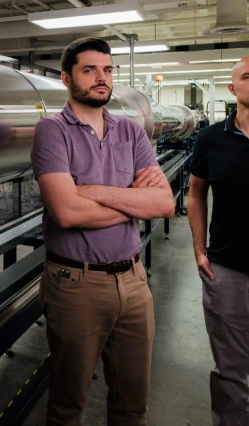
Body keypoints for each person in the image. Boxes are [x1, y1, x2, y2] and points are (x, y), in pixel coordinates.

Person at [31, 37, 175, 426]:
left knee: (132, 403)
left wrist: (96, 193)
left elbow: (164, 205)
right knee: (68, 405)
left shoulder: (131, 132)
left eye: (108, 70)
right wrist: (131, 201)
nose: (101, 78)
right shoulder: (51, 131)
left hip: (133, 279)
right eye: (89, 70)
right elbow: (66, 212)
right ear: (66, 78)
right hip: (76, 283)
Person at [188, 56, 249, 426]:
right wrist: (198, 250)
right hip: (227, 271)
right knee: (231, 373)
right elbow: (196, 194)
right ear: (233, 88)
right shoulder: (211, 138)